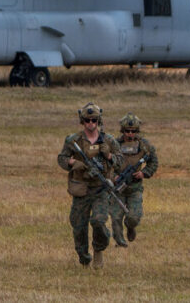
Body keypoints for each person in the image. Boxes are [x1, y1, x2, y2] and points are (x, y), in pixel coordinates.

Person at [57, 102, 121, 269]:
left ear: (98, 120)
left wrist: (108, 156)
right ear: (82, 121)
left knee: (99, 222)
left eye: (94, 120)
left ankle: (99, 249)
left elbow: (120, 163)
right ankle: (84, 257)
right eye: (87, 120)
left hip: (101, 188)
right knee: (78, 226)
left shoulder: (109, 140)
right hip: (81, 189)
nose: (90, 124)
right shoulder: (73, 140)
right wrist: (73, 163)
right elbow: (61, 159)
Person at [109, 113, 158, 247]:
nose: (130, 134)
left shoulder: (144, 145)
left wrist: (144, 173)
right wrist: (113, 177)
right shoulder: (114, 145)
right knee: (116, 217)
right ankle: (120, 243)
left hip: (134, 189)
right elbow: (106, 164)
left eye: (133, 131)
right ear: (122, 130)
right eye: (127, 131)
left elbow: (153, 162)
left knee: (134, 217)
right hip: (117, 189)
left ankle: (130, 227)